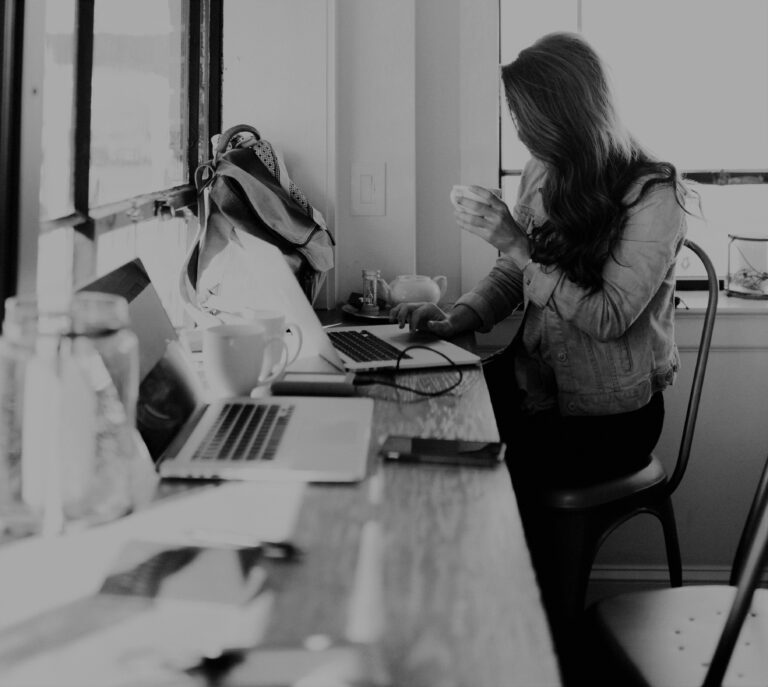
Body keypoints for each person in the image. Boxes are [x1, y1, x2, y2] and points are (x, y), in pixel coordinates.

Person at [389, 30, 691, 671]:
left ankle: (522, 646)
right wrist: (453, 320)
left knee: (484, 477)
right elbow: (509, 276)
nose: (522, 137)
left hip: (611, 416)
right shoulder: (542, 173)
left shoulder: (653, 196)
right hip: (537, 385)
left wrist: (520, 246)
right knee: (416, 410)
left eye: (528, 121)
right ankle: (440, 623)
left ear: (568, 113)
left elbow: (608, 318)